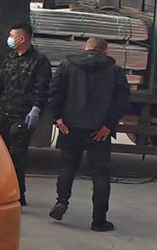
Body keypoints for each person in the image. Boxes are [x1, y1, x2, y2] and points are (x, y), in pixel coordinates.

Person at [47, 37, 129, 232]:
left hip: (70, 127)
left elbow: (54, 92)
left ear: (84, 48)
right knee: (100, 174)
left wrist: (58, 118)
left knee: (67, 166)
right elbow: (122, 100)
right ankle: (99, 220)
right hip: (99, 131)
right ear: (106, 51)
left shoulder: (67, 65)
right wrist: (108, 125)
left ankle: (62, 202)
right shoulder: (115, 70)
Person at [0, 21, 52, 206]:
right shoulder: (10, 58)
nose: (10, 39)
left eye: (12, 36)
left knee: (16, 156)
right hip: (6, 112)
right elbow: (0, 81)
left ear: (22, 39)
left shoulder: (39, 61)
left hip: (23, 115)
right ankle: (11, 192)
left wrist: (36, 109)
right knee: (3, 154)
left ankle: (17, 194)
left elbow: (42, 88)